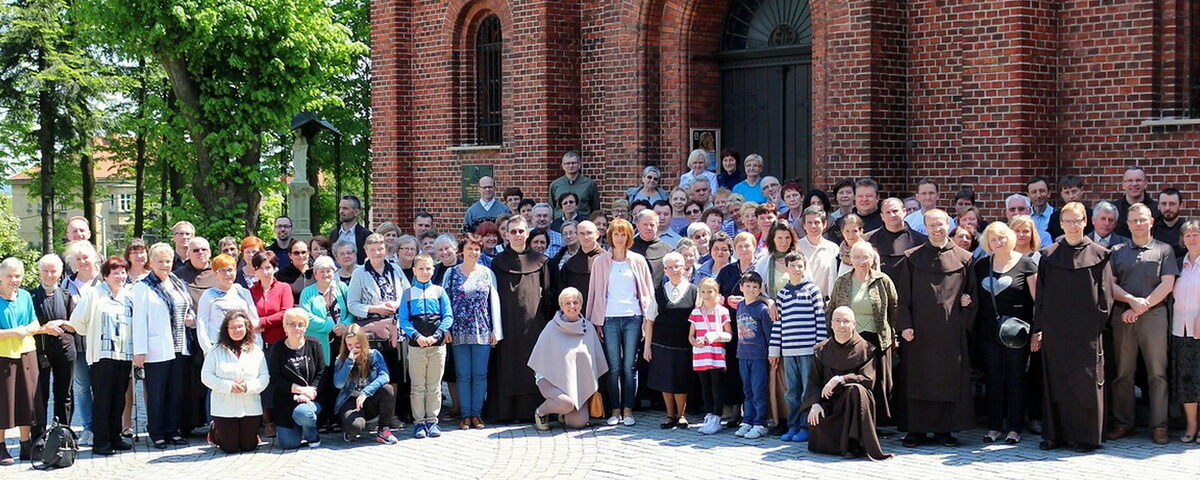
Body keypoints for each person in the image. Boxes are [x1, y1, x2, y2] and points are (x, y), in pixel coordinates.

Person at [1032, 202, 1112, 452]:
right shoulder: (1048, 255)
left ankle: (1085, 436)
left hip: (1086, 332)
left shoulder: (1100, 254)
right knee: (1056, 382)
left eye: (1077, 220)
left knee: (1085, 383)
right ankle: (1055, 434)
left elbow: (1105, 297)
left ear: (1085, 221)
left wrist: (1094, 326)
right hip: (1056, 331)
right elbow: (1041, 296)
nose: (1073, 225)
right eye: (1067, 221)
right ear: (1061, 224)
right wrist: (1040, 327)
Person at [895, 209, 977, 448]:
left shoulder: (964, 258)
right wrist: (905, 326)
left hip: (951, 333)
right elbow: (903, 297)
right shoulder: (912, 258)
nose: (936, 229)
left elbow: (972, 296)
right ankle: (916, 430)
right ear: (925, 227)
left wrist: (962, 323)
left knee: (947, 380)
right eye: (931, 225)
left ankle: (944, 430)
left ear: (948, 224)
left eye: (940, 224)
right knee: (917, 380)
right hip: (918, 333)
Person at [1108, 203, 1177, 445]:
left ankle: (1159, 425)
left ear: (1151, 222)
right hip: (1123, 316)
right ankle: (1123, 423)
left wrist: (1140, 307)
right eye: (1134, 220)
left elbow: (1167, 284)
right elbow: (1110, 284)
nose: (1138, 223)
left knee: (1157, 373)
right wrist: (1130, 301)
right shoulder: (1117, 251)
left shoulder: (1164, 250)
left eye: (1142, 219)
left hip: (1154, 317)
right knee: (1122, 373)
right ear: (1127, 224)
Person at [587, 218, 656, 426]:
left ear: (629, 237)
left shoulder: (638, 260)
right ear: (610, 237)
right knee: (613, 367)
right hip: (609, 318)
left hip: (633, 317)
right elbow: (594, 293)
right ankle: (615, 410)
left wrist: (648, 319)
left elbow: (647, 291)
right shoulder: (600, 262)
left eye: (623, 234)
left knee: (629, 367)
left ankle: (628, 410)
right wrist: (594, 321)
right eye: (616, 234)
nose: (619, 238)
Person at [975, 222, 1038, 445]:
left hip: (1017, 333)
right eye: (993, 239)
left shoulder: (1026, 264)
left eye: (1002, 237)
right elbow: (974, 295)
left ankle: (1014, 428)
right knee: (993, 379)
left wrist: (1038, 331)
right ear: (987, 242)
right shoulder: (982, 265)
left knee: (1016, 379)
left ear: (1009, 238)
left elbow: (1038, 301)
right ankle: (994, 426)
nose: (998, 242)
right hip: (988, 332)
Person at [803, 307, 892, 460]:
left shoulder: (866, 349)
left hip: (856, 404)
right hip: (830, 404)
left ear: (854, 324)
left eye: (846, 321)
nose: (842, 325)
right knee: (817, 416)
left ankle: (854, 443)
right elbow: (813, 381)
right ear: (831, 324)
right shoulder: (821, 349)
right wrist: (815, 404)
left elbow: (868, 379)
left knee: (855, 390)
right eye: (838, 321)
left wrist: (841, 379)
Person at [488, 215, 552, 422]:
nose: (517, 235)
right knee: (507, 367)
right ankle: (505, 412)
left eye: (521, 231)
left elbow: (549, 295)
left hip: (533, 325)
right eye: (513, 231)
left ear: (527, 233)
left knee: (529, 368)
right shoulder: (497, 262)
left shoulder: (541, 261)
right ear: (506, 235)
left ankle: (529, 411)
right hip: (506, 324)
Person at [132, 243, 196, 449]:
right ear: (151, 263)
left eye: (168, 261)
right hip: (156, 348)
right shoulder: (143, 287)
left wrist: (191, 317)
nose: (165, 265)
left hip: (180, 346)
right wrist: (139, 351)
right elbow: (139, 320)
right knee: (157, 392)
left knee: (176, 391)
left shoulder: (177, 282)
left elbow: (186, 306)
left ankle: (172, 430)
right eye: (160, 261)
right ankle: (157, 432)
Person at [828, 241, 897, 426]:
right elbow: (832, 308)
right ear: (850, 259)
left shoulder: (883, 280)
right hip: (851, 340)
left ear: (872, 259)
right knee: (853, 381)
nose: (861, 261)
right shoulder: (842, 281)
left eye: (865, 257)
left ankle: (875, 424)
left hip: (877, 338)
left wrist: (892, 334)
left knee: (877, 382)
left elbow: (893, 307)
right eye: (856, 257)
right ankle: (852, 420)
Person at [347, 233, 411, 426]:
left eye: (380, 249)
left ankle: (391, 416)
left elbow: (408, 294)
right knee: (375, 373)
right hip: (373, 332)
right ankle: (371, 415)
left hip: (396, 330)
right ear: (366, 251)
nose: (377, 253)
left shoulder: (395, 269)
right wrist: (376, 308)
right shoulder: (359, 273)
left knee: (395, 374)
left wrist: (397, 304)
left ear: (386, 250)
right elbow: (352, 305)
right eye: (372, 250)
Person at [443, 234, 502, 429]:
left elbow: (494, 302)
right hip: (458, 330)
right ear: (462, 251)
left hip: (482, 329)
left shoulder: (487, 273)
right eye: (470, 248)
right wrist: (445, 328)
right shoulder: (451, 273)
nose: (474, 252)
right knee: (463, 375)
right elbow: (444, 302)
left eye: (477, 249)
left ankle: (477, 414)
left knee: (480, 374)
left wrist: (496, 330)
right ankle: (465, 415)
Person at [529, 288, 608, 430]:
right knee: (566, 403)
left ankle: (563, 413)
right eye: (567, 303)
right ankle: (541, 411)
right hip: (550, 380)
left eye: (575, 302)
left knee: (578, 423)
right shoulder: (552, 327)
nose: (572, 306)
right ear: (561, 306)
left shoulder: (588, 328)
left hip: (577, 382)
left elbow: (595, 361)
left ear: (581, 304)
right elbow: (539, 357)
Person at [769, 252, 827, 442]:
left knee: (806, 390)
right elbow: (778, 324)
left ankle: (806, 426)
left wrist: (820, 347)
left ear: (804, 268)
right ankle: (793, 425)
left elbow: (820, 318)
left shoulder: (812, 290)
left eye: (800, 266)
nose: (796, 269)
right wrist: (774, 350)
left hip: (808, 350)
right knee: (791, 391)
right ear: (786, 268)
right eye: (793, 266)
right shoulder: (783, 294)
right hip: (788, 350)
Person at [397, 254, 454, 439]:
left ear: (433, 270)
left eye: (428, 268)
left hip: (437, 346)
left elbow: (448, 316)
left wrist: (437, 335)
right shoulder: (408, 293)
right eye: (421, 268)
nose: (425, 272)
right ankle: (419, 422)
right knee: (418, 386)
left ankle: (432, 420)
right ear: (414, 270)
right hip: (416, 346)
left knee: (434, 385)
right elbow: (404, 320)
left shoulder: (439, 292)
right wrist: (417, 336)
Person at [0, 257, 49, 465]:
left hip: (27, 353)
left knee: (28, 400)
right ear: (0, 276)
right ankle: (1, 446)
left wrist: (27, 329)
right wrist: (13, 332)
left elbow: (34, 322)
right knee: (3, 402)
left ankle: (25, 444)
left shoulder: (26, 296)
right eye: (9, 276)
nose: (14, 280)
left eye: (18, 276)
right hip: (3, 356)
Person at [200, 311, 269, 454]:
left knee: (249, 446)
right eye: (232, 327)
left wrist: (248, 387)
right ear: (226, 330)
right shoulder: (215, 351)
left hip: (249, 405)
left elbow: (264, 377)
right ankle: (215, 430)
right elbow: (206, 376)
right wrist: (228, 386)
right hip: (224, 407)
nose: (237, 330)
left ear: (246, 327)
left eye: (240, 326)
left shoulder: (256, 350)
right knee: (230, 448)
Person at [645, 252, 698, 429]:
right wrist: (647, 347)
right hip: (661, 343)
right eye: (670, 267)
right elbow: (650, 321)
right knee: (665, 380)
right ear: (665, 270)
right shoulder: (659, 292)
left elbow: (699, 319)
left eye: (677, 266)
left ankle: (681, 415)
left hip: (684, 344)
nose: (674, 270)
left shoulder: (694, 291)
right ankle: (669, 415)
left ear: (684, 268)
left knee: (681, 380)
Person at [29, 254, 76, 443]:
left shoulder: (66, 295)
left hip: (65, 350)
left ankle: (62, 435)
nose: (49, 275)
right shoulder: (30, 296)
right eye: (45, 271)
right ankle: (38, 438)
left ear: (60, 273)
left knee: (64, 393)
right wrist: (45, 329)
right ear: (39, 272)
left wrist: (61, 323)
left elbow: (76, 326)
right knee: (39, 395)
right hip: (39, 351)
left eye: (53, 271)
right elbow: (26, 326)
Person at [267, 308, 325, 449]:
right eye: (292, 324)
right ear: (285, 327)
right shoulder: (277, 348)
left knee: (304, 413)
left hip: (311, 399)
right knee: (289, 444)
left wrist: (310, 393)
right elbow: (275, 378)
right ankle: (300, 427)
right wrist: (300, 390)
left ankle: (312, 435)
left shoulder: (314, 344)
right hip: (285, 402)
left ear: (306, 327)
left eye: (301, 324)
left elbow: (322, 372)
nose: (296, 328)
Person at [332, 324, 397, 444]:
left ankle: (384, 429)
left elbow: (385, 376)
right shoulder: (341, 359)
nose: (354, 348)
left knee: (387, 389)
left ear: (363, 341)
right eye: (349, 345)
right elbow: (339, 384)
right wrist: (349, 362)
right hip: (350, 400)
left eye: (357, 344)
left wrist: (365, 392)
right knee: (355, 427)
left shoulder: (374, 355)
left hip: (368, 398)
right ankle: (351, 429)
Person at [63, 240, 101, 445]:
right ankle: (88, 427)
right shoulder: (67, 284)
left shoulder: (104, 280)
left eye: (85, 257)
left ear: (93, 258)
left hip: (102, 343)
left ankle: (105, 426)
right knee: (82, 387)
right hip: (77, 344)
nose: (83, 262)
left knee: (102, 386)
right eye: (77, 259)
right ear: (72, 262)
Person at [689, 278, 733, 435]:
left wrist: (717, 336)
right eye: (703, 292)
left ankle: (717, 416)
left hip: (716, 355)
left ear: (717, 292)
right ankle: (708, 414)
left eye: (710, 291)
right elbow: (691, 335)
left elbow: (729, 334)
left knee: (716, 386)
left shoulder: (722, 311)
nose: (706, 295)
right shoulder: (696, 312)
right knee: (705, 386)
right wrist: (695, 341)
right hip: (701, 355)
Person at [1170, 220, 1200, 443]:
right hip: (1180, 331)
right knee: (1186, 380)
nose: (1192, 238)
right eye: (1188, 235)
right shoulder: (1178, 265)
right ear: (1182, 240)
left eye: (1196, 234)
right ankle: (1191, 425)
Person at [733, 271, 771, 439]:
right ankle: (747, 420)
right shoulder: (740, 306)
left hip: (759, 356)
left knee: (758, 390)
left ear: (760, 289)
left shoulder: (762, 309)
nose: (751, 289)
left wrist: (771, 354)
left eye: (755, 287)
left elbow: (768, 334)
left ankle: (760, 423)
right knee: (747, 390)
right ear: (741, 287)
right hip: (743, 354)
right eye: (747, 286)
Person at [196, 254, 259, 354]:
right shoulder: (208, 295)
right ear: (215, 273)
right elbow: (202, 324)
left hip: (242, 346)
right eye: (222, 271)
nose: (227, 274)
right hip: (217, 346)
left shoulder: (243, 292)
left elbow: (253, 320)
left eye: (230, 270)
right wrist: (207, 350)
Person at [866, 198, 928, 281]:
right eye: (888, 212)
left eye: (895, 211)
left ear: (904, 211)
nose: (892, 215)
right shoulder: (868, 239)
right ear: (882, 216)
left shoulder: (921, 240)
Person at [251, 251, 294, 348]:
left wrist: (260, 322)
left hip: (280, 342)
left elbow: (285, 313)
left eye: (268, 268)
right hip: (256, 342)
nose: (265, 272)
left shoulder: (284, 288)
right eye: (260, 268)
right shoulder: (250, 291)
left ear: (274, 268)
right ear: (255, 270)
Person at [797, 206, 840, 299]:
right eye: (809, 223)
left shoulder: (833, 248)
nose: (813, 226)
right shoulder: (797, 248)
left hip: (826, 301)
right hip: (802, 300)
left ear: (824, 224)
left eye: (817, 222)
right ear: (804, 225)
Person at [560, 221, 604, 309]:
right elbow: (563, 291)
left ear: (597, 234)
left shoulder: (606, 259)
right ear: (577, 236)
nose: (586, 237)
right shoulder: (570, 263)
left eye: (589, 233)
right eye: (582, 234)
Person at [549, 151, 601, 217]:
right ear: (562, 166)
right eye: (567, 163)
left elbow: (595, 210)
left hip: (582, 221)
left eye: (573, 163)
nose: (571, 166)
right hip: (560, 222)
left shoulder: (589, 184)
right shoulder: (555, 185)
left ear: (579, 164)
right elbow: (551, 208)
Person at [1113, 166, 1159, 237]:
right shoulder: (1114, 210)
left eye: (1138, 180)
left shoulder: (1157, 210)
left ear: (1145, 183)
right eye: (1130, 180)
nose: (1134, 184)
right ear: (1123, 184)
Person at [631, 209, 673, 284]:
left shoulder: (668, 251)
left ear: (657, 225)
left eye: (652, 225)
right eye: (645, 224)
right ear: (638, 226)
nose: (649, 228)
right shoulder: (629, 248)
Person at [276, 238, 314, 303]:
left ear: (309, 253)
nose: (300, 255)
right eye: (296, 253)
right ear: (290, 255)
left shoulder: (316, 272)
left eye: (304, 252)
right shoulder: (281, 275)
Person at [1152, 188, 1186, 258]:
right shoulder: (1151, 230)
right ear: (1158, 206)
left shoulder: (1187, 230)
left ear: (1181, 206)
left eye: (1172, 204)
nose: (1167, 208)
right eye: (1163, 204)